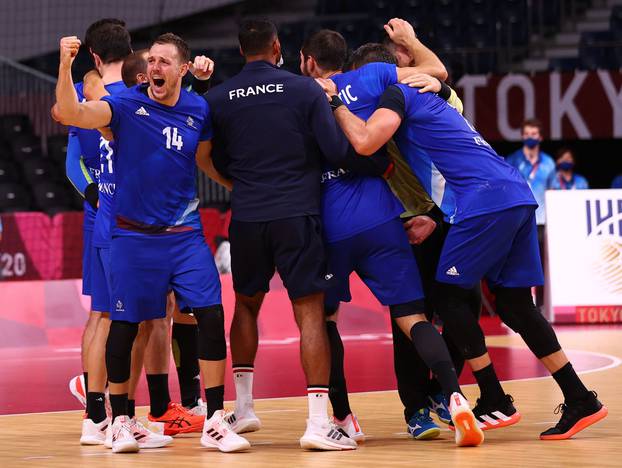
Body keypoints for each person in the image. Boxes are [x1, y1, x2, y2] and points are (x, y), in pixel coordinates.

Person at [316, 57, 608, 440]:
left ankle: (493, 397)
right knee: (515, 305)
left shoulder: (396, 95)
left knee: (446, 296)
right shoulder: (434, 94)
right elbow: (439, 77)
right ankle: (579, 397)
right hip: (515, 193)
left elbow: (366, 139)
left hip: (482, 201)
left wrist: (336, 104)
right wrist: (423, 62)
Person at [206, 19, 398, 451]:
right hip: (297, 212)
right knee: (310, 312)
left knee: (247, 305)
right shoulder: (305, 89)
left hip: (249, 215)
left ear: (241, 51)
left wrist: (240, 184)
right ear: (277, 47)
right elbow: (335, 151)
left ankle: (245, 408)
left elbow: (214, 159)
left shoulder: (218, 98)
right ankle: (316, 423)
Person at [53, 32, 250, 453]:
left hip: (184, 236)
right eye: (152, 60)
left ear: (181, 69)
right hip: (132, 238)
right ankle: (120, 420)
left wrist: (239, 185)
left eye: (165, 62)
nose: (156, 68)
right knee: (125, 326)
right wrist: (65, 66)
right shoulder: (124, 105)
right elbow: (70, 113)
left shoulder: (198, 108)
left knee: (211, 317)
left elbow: (207, 156)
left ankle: (215, 419)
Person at [298, 26, 482, 445]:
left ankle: (344, 418)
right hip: (384, 218)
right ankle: (454, 397)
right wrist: (414, 42)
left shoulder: (300, 95)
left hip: (332, 224)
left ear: (307, 61)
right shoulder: (373, 80)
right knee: (413, 316)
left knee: (326, 321)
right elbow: (437, 71)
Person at [63, 18, 126, 419]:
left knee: (102, 312)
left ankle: (97, 404)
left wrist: (95, 196)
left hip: (98, 213)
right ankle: (126, 406)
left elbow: (73, 166)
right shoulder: (141, 97)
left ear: (95, 55)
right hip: (129, 217)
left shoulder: (85, 105)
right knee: (141, 315)